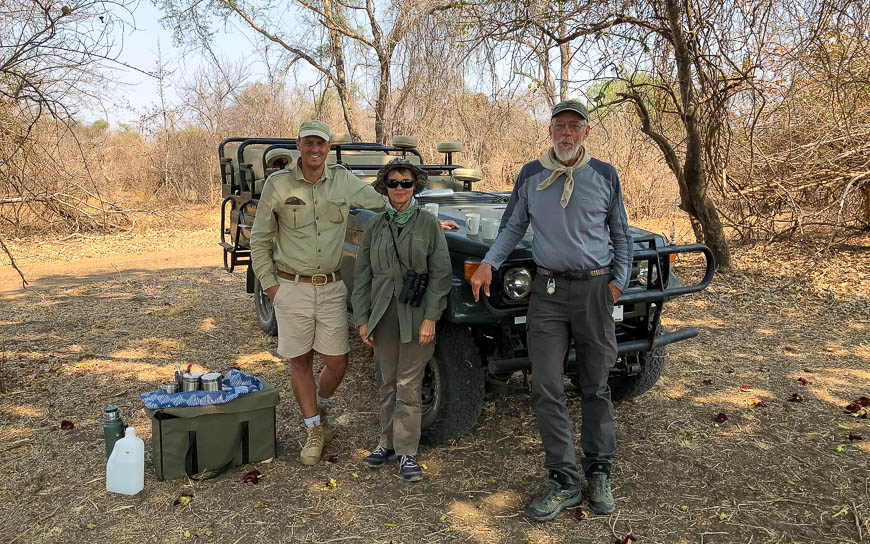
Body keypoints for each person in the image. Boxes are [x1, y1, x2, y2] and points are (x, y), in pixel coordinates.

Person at [250, 120, 458, 466]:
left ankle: (320, 407)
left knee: (337, 361)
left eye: (321, 143)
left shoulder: (343, 180)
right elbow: (259, 239)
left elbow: (387, 200)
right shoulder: (279, 184)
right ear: (298, 145)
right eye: (308, 142)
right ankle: (314, 428)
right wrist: (272, 287)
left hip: (331, 285)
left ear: (328, 147)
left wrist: (429, 220)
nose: (315, 149)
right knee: (300, 360)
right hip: (291, 285)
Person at [470, 99, 633, 521]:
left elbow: (621, 234)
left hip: (595, 289)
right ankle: (563, 480)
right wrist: (489, 263)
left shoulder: (605, 175)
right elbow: (512, 227)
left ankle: (599, 471)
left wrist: (618, 283)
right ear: (549, 131)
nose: (566, 133)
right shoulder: (531, 174)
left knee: (595, 384)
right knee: (546, 385)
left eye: (574, 126)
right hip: (547, 291)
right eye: (559, 125)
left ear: (586, 132)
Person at [352, 159, 451, 482]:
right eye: (393, 183)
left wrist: (431, 318)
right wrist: (363, 319)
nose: (399, 188)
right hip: (383, 313)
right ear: (385, 187)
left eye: (405, 183)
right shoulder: (375, 226)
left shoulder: (428, 224)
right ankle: (387, 443)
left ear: (414, 187)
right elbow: (362, 275)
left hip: (416, 314)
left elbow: (440, 276)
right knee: (386, 381)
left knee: (408, 384)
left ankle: (407, 451)